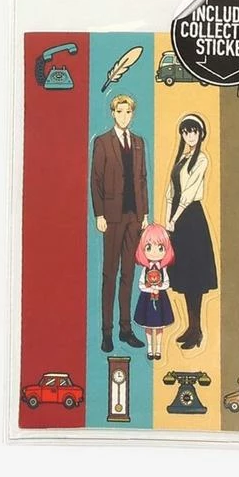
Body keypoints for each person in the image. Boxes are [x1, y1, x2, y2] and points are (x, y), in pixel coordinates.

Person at [90, 94, 148, 352]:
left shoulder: (139, 143)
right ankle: (107, 332)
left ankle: (126, 329)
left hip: (134, 217)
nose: (124, 116)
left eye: (128, 112)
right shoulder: (103, 142)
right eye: (120, 112)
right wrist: (99, 215)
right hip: (112, 217)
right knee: (109, 274)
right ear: (113, 113)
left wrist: (144, 214)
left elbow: (142, 179)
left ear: (132, 114)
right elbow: (96, 180)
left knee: (128, 274)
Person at [164, 113, 217, 349]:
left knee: (195, 277)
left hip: (192, 219)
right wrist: (168, 220)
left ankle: (197, 331)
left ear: (201, 134)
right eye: (186, 132)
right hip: (178, 220)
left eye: (193, 131)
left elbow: (188, 194)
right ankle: (191, 327)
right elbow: (171, 191)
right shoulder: (182, 158)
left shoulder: (201, 159)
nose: (190, 136)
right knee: (185, 276)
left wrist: (174, 218)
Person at [133, 223, 176, 360]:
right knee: (148, 326)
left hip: (160, 299)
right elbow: (141, 284)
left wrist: (159, 288)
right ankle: (150, 348)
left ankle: (158, 349)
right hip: (146, 299)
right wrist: (149, 288)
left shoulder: (163, 269)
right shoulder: (145, 269)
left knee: (159, 327)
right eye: (149, 247)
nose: (155, 252)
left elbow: (167, 283)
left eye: (160, 248)